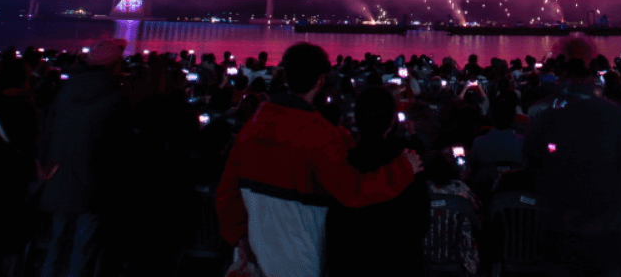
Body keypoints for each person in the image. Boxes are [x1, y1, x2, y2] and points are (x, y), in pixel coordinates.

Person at [217, 42, 422, 277]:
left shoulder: (251, 128)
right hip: (301, 258)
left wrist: (240, 239)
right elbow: (353, 191)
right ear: (320, 80)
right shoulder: (323, 135)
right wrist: (405, 168)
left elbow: (226, 195)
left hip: (255, 253)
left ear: (286, 75)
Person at [523, 35, 621, 276]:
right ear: (592, 75)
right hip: (603, 220)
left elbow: (531, 162)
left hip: (559, 220)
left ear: (563, 76)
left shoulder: (546, 114)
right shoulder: (614, 114)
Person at [38, 39, 133, 277]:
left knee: (56, 243)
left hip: (59, 176)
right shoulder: (117, 97)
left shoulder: (65, 92)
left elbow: (46, 135)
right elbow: (118, 148)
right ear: (115, 65)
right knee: (83, 249)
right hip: (94, 184)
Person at [327, 86, 429, 276]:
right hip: (399, 264)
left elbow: (334, 224)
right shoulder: (409, 163)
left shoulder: (341, 162)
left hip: (350, 265)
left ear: (356, 120)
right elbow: (420, 224)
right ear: (392, 122)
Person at [470, 98, 524, 195]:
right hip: (515, 192)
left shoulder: (479, 142)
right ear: (513, 118)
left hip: (485, 194)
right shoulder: (522, 142)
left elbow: (472, 168)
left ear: (491, 117)